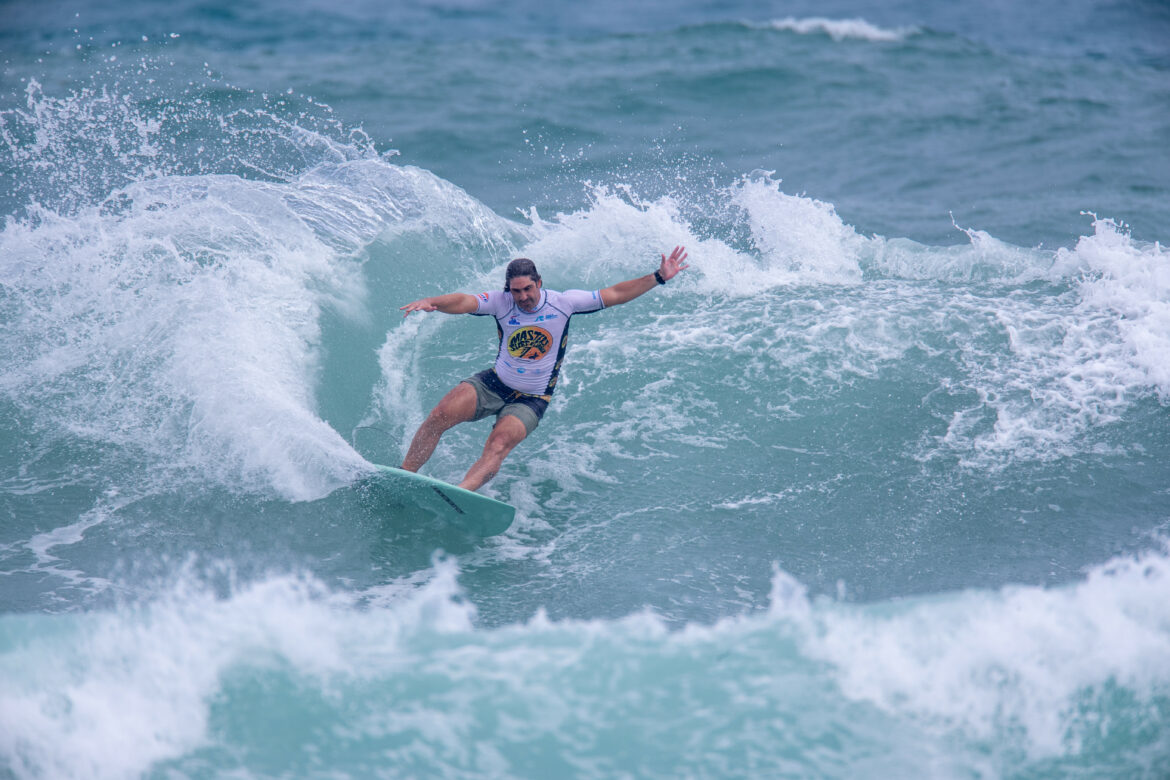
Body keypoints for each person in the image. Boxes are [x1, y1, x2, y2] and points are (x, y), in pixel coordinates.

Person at [399, 245, 689, 491]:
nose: (523, 297)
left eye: (528, 289)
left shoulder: (563, 303)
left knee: (498, 443)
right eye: (516, 291)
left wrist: (659, 277)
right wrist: (432, 302)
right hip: (494, 383)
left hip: (532, 398)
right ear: (507, 289)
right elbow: (464, 301)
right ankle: (403, 477)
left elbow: (614, 294)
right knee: (439, 415)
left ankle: (460, 494)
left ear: (539, 282)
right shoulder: (501, 302)